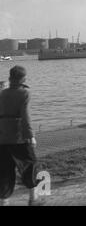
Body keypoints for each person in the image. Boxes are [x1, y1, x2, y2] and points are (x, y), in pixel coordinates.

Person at [0, 66, 41, 206]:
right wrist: (31, 135)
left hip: (3, 137)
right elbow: (25, 116)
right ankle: (33, 198)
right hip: (19, 137)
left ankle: (4, 201)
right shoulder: (24, 93)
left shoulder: (2, 93)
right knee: (30, 164)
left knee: (5, 170)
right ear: (23, 79)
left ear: (10, 77)